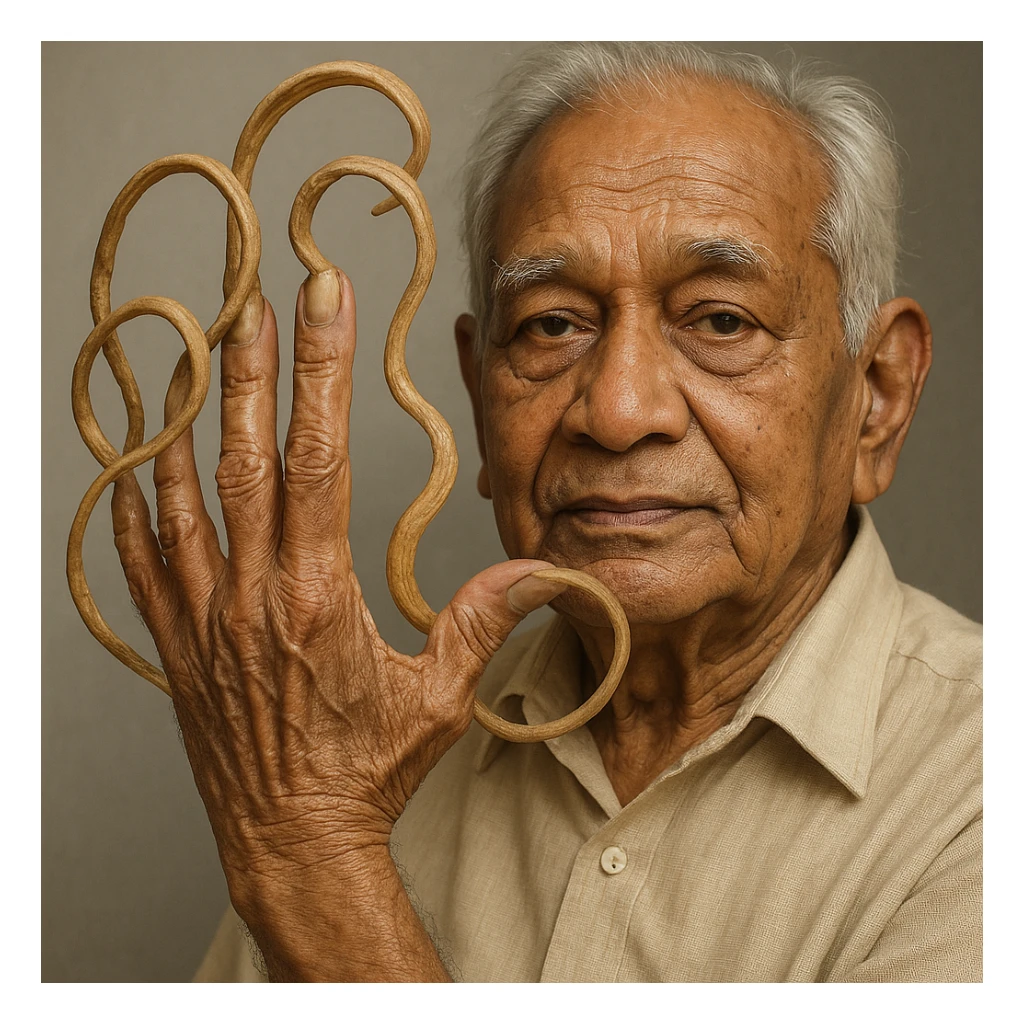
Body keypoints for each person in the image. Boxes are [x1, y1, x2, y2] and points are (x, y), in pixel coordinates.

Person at [113, 42, 981, 983]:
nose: (616, 409)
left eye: (721, 320)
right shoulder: (362, 760)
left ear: (878, 397)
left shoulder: (979, 788)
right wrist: (313, 824)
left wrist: (318, 870)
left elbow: (314, 863)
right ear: (480, 406)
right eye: (551, 325)